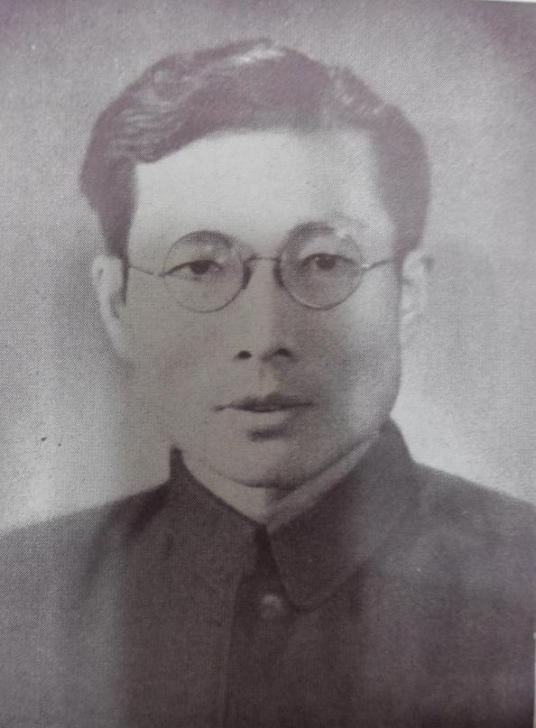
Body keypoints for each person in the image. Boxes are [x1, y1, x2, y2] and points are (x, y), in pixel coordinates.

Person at [1, 38, 534, 728]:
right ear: (117, 303)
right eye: (199, 267)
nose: (264, 334)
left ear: (407, 294)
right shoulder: (15, 601)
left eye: (324, 262)